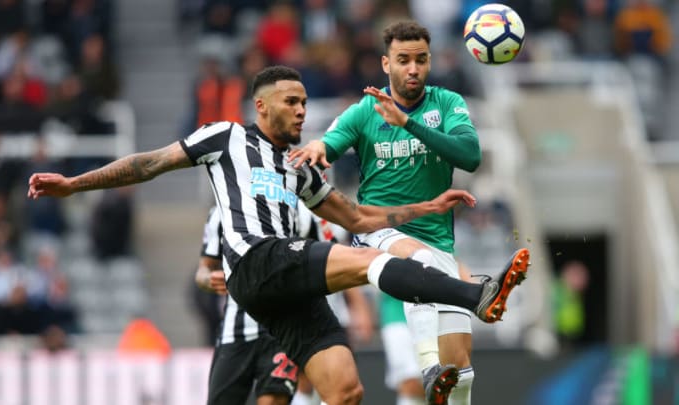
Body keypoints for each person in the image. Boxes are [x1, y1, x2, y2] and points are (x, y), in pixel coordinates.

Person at [27, 65, 530, 404]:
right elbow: (148, 163)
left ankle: (475, 295)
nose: (302, 111)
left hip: (283, 292)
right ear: (261, 107)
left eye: (305, 102)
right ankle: (477, 295)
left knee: (346, 391)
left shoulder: (300, 169)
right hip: (256, 260)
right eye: (291, 102)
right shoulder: (226, 137)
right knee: (366, 263)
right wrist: (74, 184)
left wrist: (425, 206)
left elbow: (356, 218)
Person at [289, 21, 517, 404]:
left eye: (421, 60)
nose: (413, 68)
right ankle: (427, 366)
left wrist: (408, 123)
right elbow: (328, 143)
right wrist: (317, 149)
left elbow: (471, 156)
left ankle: (441, 373)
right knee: (420, 263)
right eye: (403, 60)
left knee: (460, 370)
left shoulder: (448, 104)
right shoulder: (365, 111)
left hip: (439, 239)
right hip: (379, 234)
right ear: (385, 63)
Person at [195, 203, 375, 405]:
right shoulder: (222, 212)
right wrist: (208, 279)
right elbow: (203, 269)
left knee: (274, 400)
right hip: (235, 329)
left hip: (283, 327)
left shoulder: (306, 211)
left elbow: (335, 262)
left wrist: (357, 307)